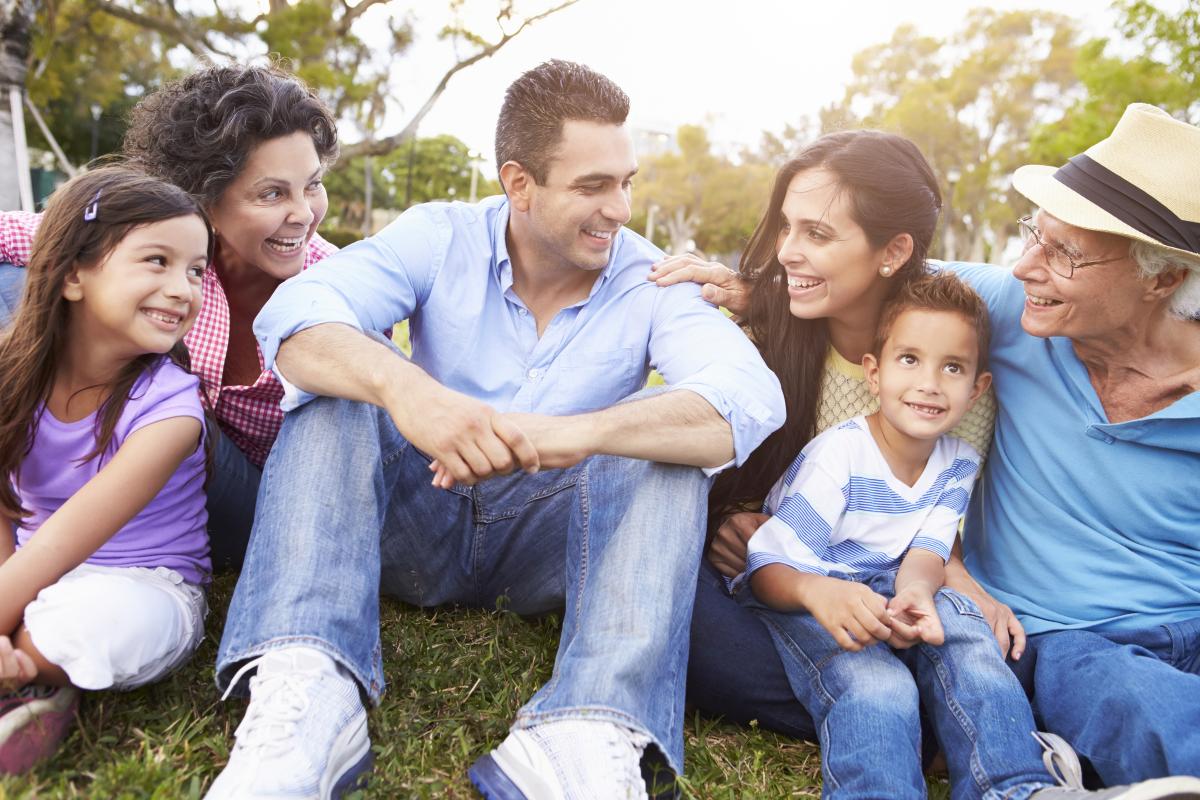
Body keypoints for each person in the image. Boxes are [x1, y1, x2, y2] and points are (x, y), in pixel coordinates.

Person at [203, 60, 784, 800]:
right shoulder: (438, 235)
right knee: (340, 380)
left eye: (627, 181)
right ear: (519, 184)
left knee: (661, 449)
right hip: (417, 518)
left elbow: (746, 398)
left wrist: (574, 434)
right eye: (593, 186)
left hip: (549, 542)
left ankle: (586, 729)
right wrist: (410, 392)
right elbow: (296, 313)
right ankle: (312, 689)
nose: (621, 208)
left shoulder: (652, 281)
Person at [658, 104, 1200, 795]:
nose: (1026, 264)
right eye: (1035, 233)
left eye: (1063, 252)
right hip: (1074, 638)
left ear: (1162, 280)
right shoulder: (1017, 312)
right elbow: (879, 261)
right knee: (1132, 699)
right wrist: (758, 293)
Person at [0, 62, 340, 570]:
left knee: (181, 407)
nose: (303, 214)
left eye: (311, 185)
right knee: (20, 278)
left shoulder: (337, 287)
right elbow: (22, 236)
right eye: (273, 192)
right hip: (124, 448)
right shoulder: (163, 238)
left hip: (246, 505)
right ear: (204, 197)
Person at [0, 166, 212, 773]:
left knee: (97, 621)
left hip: (142, 585)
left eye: (196, 270)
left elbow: (69, 536)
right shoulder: (12, 376)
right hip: (26, 569)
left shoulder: (171, 409)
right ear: (73, 275)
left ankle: (31, 666)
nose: (183, 288)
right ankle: (33, 676)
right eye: (156, 261)